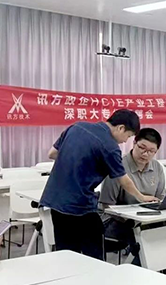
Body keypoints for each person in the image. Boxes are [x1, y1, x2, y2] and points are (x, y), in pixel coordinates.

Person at [39, 110, 158, 260]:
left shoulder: (76, 126)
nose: (124, 141)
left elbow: (52, 153)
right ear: (121, 128)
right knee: (94, 254)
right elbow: (123, 180)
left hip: (54, 200)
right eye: (128, 136)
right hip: (78, 204)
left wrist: (77, 162)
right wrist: (141, 197)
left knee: (65, 252)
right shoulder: (110, 147)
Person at [99, 128, 166, 266]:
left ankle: (165, 273)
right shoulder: (118, 166)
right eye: (142, 148)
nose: (145, 154)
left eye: (151, 151)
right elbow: (106, 205)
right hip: (116, 220)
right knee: (146, 242)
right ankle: (137, 273)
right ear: (134, 143)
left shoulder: (157, 167)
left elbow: (159, 198)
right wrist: (131, 219)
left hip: (147, 219)